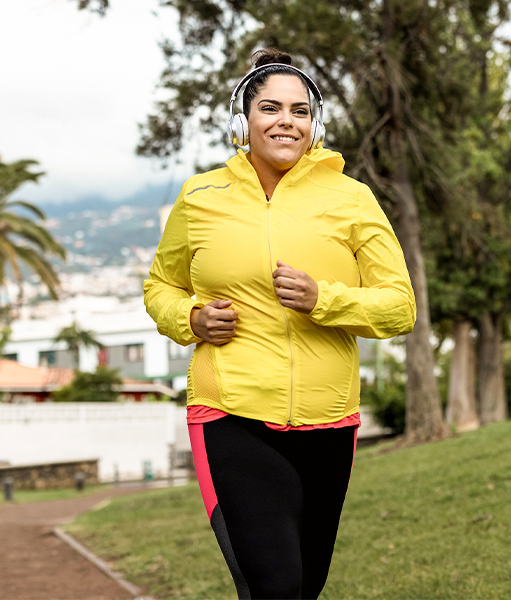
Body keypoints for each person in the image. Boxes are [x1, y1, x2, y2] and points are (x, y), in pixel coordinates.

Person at [144, 48, 416, 600]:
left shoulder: (351, 199)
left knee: (305, 586)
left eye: (299, 110)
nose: (285, 121)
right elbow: (159, 287)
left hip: (328, 422)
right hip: (231, 412)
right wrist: (192, 318)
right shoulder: (201, 197)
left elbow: (399, 306)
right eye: (270, 107)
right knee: (277, 585)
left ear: (314, 125)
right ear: (242, 121)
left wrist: (325, 299)